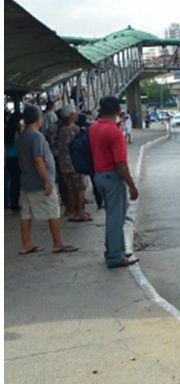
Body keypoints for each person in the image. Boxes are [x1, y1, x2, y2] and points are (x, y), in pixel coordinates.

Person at [17, 105, 78, 255]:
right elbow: (38, 159)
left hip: (26, 181)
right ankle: (57, 243)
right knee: (53, 211)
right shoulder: (36, 136)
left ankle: (26, 244)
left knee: (26, 213)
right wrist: (46, 181)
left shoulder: (22, 135)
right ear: (39, 119)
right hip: (39, 182)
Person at [90, 96, 139, 268]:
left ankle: (114, 249)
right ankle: (114, 256)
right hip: (112, 177)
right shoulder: (115, 133)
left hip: (98, 175)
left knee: (113, 216)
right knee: (115, 218)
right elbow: (121, 164)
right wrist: (132, 185)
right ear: (118, 112)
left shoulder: (93, 128)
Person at [56, 104, 91, 222]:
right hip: (75, 163)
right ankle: (79, 212)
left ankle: (71, 211)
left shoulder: (61, 129)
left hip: (64, 163)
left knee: (69, 188)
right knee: (80, 188)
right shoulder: (75, 129)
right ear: (71, 115)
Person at [6, 111, 22, 214]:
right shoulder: (16, 133)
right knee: (17, 182)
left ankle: (13, 202)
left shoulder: (6, 131)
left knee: (12, 181)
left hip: (8, 158)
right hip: (16, 158)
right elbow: (19, 145)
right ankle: (15, 204)